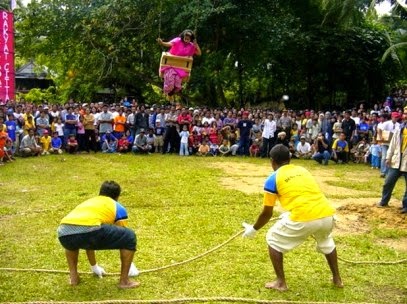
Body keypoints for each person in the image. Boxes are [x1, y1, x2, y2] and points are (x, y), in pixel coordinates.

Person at [242, 144, 343, 291]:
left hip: (304, 218)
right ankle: (337, 279)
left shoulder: (273, 179)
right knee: (326, 241)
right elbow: (306, 195)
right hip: (327, 214)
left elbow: (267, 213)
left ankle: (281, 282)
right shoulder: (303, 170)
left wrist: (253, 229)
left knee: (273, 238)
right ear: (289, 159)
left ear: (272, 161)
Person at [57, 181, 140, 288]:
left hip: (63, 232)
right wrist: (130, 266)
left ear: (100, 193)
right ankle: (124, 281)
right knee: (129, 236)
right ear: (117, 196)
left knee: (74, 238)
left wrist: (94, 267)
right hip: (90, 231)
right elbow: (124, 239)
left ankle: (74, 278)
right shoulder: (117, 206)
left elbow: (88, 239)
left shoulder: (89, 202)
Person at [377, 108, 407, 214]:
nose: (405, 116)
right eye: (405, 114)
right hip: (397, 160)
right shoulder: (400, 129)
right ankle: (384, 201)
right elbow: (393, 145)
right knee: (388, 182)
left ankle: (406, 206)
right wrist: (388, 157)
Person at [157, 30, 202, 97]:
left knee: (178, 81)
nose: (187, 39)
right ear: (183, 36)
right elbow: (169, 44)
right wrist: (162, 43)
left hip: (180, 68)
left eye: (188, 38)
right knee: (170, 78)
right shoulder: (177, 40)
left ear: (191, 39)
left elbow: (199, 53)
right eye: (185, 38)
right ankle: (168, 90)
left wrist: (196, 45)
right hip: (171, 65)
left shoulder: (192, 46)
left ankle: (174, 90)